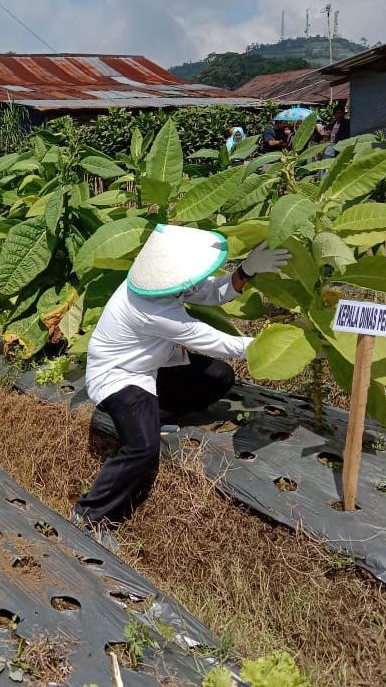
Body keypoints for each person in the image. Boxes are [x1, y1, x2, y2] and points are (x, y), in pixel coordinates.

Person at [72, 224, 290, 549]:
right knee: (143, 448)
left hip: (151, 363)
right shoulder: (150, 309)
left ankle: (154, 415)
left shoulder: (162, 282)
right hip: (119, 375)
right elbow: (216, 342)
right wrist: (279, 347)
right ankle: (90, 515)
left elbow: (213, 293)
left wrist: (246, 271)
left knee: (220, 377)